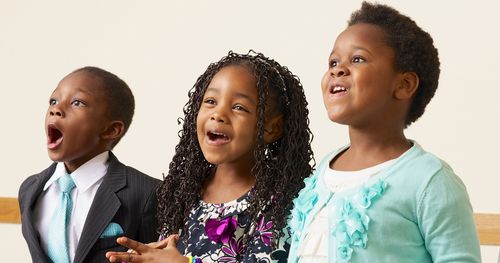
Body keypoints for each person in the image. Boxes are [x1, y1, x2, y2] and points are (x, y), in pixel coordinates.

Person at [287, 2, 481, 262]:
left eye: (357, 59)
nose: (337, 69)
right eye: (333, 61)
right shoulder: (325, 169)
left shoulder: (430, 181)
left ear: (404, 84)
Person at [105, 50, 314, 263]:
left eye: (239, 107)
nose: (218, 114)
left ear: (272, 128)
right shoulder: (184, 192)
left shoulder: (280, 203)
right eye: (211, 101)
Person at [18, 66, 161, 263]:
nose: (56, 109)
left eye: (77, 102)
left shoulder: (146, 193)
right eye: (53, 100)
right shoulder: (30, 189)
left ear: (111, 130)